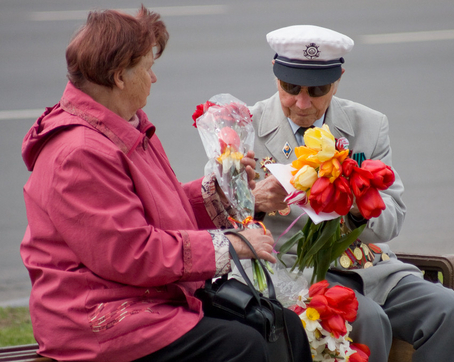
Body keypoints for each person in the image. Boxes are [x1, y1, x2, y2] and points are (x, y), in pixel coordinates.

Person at [20, 8, 311, 362]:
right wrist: (232, 244)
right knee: (244, 345)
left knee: (283, 327)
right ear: (120, 78)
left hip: (144, 297)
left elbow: (160, 211)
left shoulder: (122, 126)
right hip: (98, 318)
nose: (154, 78)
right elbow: (132, 253)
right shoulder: (78, 152)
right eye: (146, 67)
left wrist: (225, 192)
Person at [251, 25, 454, 362]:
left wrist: (355, 205)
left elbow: (392, 219)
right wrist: (255, 201)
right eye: (291, 86)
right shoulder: (248, 125)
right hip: (293, 272)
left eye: (318, 89)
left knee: (451, 311)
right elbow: (214, 214)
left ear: (338, 78)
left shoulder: (369, 125)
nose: (302, 102)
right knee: (367, 319)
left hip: (368, 267)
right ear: (274, 74)